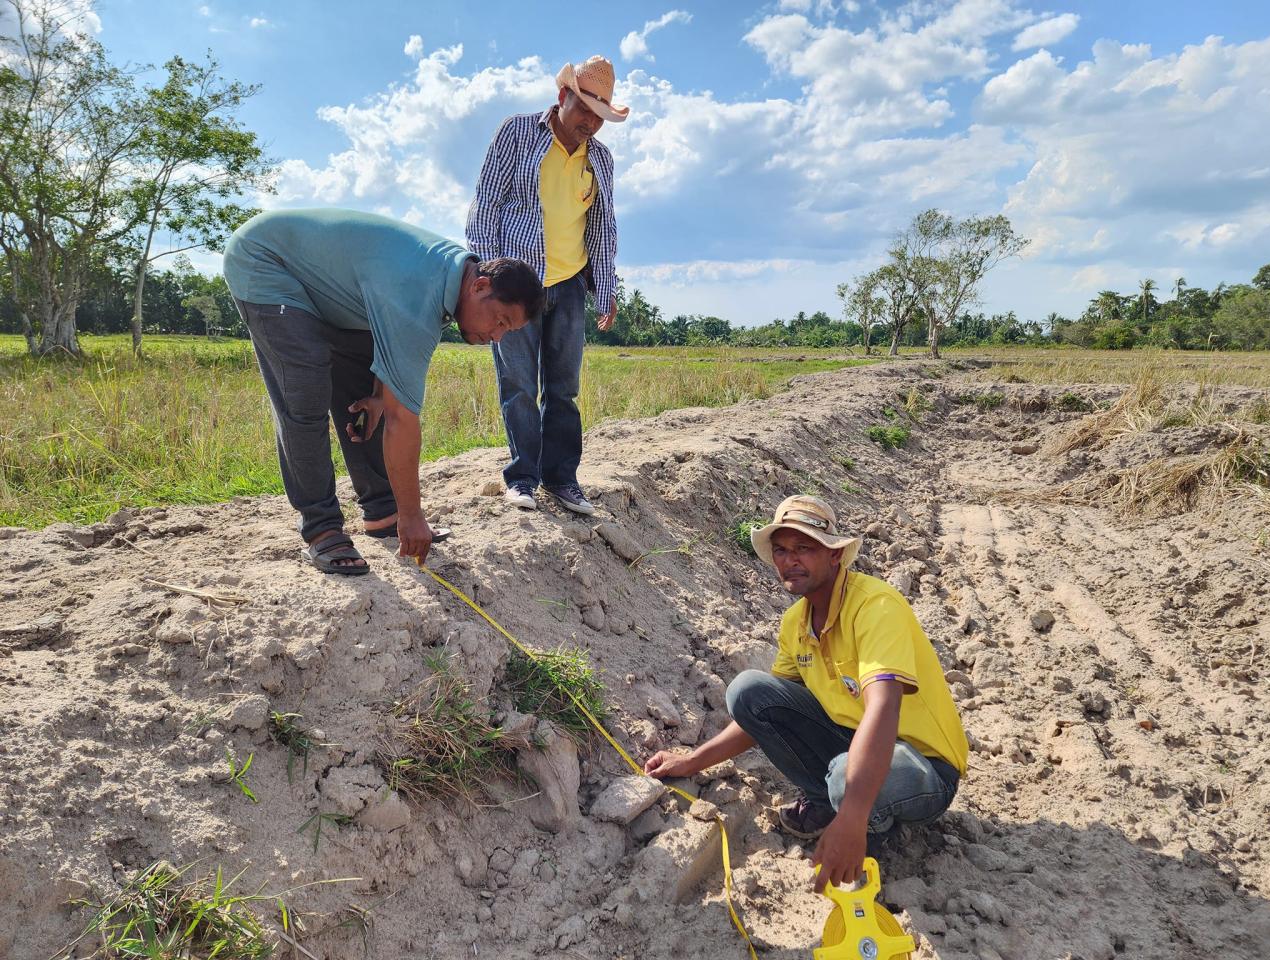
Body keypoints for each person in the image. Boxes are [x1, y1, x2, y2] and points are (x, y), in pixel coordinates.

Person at [645, 495, 968, 891]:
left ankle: (865, 828)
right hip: (855, 749)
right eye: (781, 550)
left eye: (804, 548)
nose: (789, 560)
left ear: (835, 555)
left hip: (924, 769)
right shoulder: (796, 622)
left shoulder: (875, 606)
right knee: (749, 691)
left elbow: (883, 709)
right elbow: (763, 714)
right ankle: (833, 799)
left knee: (846, 779)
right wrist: (692, 762)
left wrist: (851, 817)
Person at [223, 207, 544, 575]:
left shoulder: (448, 280)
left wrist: (379, 392)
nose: (496, 338)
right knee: (304, 396)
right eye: (500, 322)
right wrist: (414, 516)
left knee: (366, 399)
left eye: (507, 331)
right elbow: (401, 419)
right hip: (267, 261)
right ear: (480, 286)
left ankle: (382, 512)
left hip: (337, 292)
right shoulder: (417, 292)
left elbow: (388, 376)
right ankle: (322, 528)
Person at [466, 55, 628, 517]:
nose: (591, 124)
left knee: (564, 387)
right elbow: (486, 204)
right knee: (517, 384)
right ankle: (522, 479)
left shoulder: (600, 159)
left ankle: (563, 480)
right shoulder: (516, 133)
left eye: (600, 117)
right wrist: (486, 277)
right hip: (518, 285)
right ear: (563, 98)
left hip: (571, 284)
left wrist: (606, 287)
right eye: (585, 111)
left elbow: (603, 227)